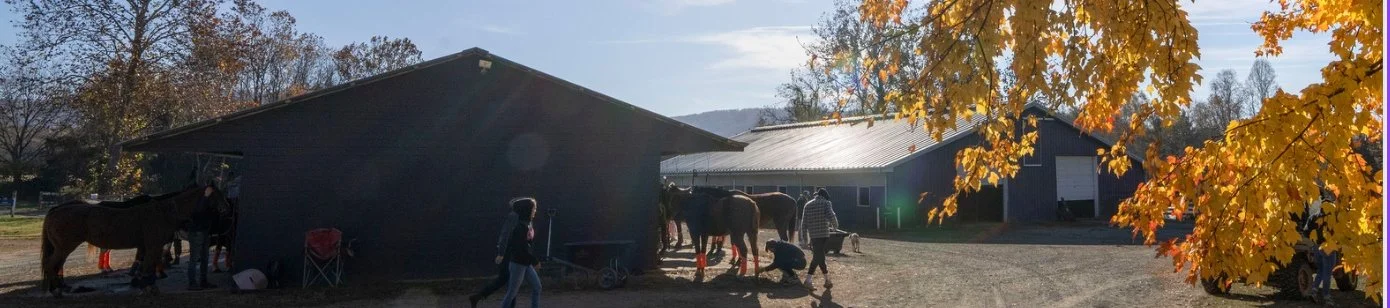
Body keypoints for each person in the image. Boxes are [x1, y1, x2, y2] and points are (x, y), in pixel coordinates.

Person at [468, 199, 522, 308]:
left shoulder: (516, 217)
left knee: (505, 279)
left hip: (511, 253)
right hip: (510, 254)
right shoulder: (514, 217)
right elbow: (505, 234)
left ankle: (478, 296)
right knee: (511, 281)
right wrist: (501, 253)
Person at [499, 198, 542, 308]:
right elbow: (520, 249)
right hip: (518, 264)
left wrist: (531, 260)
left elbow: (526, 247)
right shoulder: (519, 228)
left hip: (525, 263)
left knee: (537, 287)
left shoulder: (527, 225)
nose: (535, 211)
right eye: (533, 209)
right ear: (527, 210)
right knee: (511, 293)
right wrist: (535, 261)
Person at [800, 188, 838, 290]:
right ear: (825, 196)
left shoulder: (807, 205)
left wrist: (805, 238)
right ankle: (808, 280)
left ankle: (827, 280)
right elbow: (831, 215)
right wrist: (835, 226)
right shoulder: (826, 203)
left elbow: (803, 224)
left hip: (813, 236)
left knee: (820, 256)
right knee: (818, 257)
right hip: (823, 235)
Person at [1305, 191, 1336, 305]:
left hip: (1316, 247)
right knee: (1327, 272)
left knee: (1320, 271)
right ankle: (1327, 297)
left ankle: (1313, 291)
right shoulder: (1332, 219)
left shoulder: (1313, 217)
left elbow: (1306, 231)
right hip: (1329, 247)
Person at [185, 185, 218, 291]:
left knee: (204, 257)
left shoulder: (204, 199)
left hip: (203, 230)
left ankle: (202, 281)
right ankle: (192, 282)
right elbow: (197, 211)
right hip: (197, 231)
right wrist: (205, 197)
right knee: (194, 258)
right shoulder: (196, 199)